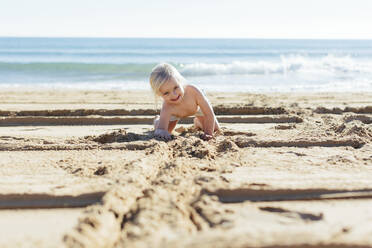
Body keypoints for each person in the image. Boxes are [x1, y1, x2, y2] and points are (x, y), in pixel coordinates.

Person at [149, 63, 220, 141]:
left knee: (215, 128)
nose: (174, 95)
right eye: (166, 93)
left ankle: (198, 122)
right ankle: (157, 120)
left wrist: (208, 133)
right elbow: (161, 129)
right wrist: (161, 131)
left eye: (176, 87)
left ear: (180, 81)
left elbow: (209, 114)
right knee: (165, 131)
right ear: (159, 94)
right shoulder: (167, 107)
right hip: (175, 113)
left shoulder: (193, 91)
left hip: (197, 108)